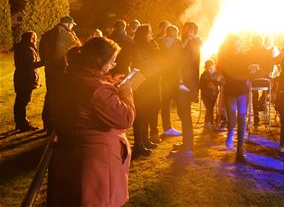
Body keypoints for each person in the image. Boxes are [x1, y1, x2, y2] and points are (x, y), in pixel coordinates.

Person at [48, 37, 135, 207]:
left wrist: (108, 83)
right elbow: (126, 117)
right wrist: (126, 91)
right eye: (111, 61)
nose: (113, 65)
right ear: (99, 61)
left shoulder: (68, 77)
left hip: (70, 155)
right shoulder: (96, 88)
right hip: (96, 164)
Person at [38, 15, 81, 131]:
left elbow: (41, 51)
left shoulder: (47, 34)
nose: (72, 27)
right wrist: (75, 37)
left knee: (50, 94)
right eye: (72, 25)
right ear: (68, 24)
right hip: (62, 69)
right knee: (60, 96)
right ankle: (56, 124)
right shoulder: (66, 34)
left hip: (50, 68)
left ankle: (47, 122)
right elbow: (78, 49)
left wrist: (47, 62)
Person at [217, 34, 250, 162]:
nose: (237, 46)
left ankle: (240, 149)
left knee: (242, 118)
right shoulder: (224, 57)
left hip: (242, 92)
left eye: (239, 44)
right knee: (232, 118)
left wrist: (252, 72)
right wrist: (220, 78)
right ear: (231, 45)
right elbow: (220, 72)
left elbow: (249, 72)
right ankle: (230, 133)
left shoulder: (245, 57)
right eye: (235, 44)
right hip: (230, 91)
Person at [172, 22, 202, 157]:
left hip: (186, 83)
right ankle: (186, 143)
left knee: (184, 113)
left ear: (192, 31)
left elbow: (182, 61)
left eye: (186, 29)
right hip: (187, 82)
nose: (183, 30)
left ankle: (188, 147)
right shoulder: (191, 43)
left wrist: (178, 50)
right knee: (183, 113)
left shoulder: (190, 44)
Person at [131, 24, 161, 157]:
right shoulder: (136, 47)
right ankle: (138, 144)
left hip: (151, 82)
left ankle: (145, 139)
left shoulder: (149, 46)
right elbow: (140, 64)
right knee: (141, 113)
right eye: (149, 33)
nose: (151, 35)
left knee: (148, 111)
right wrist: (153, 54)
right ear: (143, 34)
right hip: (143, 83)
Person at [13, 31, 43, 131]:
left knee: (20, 101)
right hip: (26, 79)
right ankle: (23, 123)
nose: (36, 39)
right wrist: (44, 62)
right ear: (29, 39)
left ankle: (20, 122)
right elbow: (30, 65)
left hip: (21, 78)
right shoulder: (28, 49)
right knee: (23, 101)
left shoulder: (21, 47)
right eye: (34, 37)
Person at [158, 25, 183, 137]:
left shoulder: (160, 42)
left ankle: (167, 127)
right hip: (176, 76)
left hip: (163, 75)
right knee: (180, 102)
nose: (177, 34)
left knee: (165, 103)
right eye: (176, 32)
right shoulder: (178, 43)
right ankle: (185, 125)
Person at [199, 59, 224, 130]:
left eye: (212, 67)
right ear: (206, 68)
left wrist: (219, 80)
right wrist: (207, 84)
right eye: (208, 67)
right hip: (205, 95)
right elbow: (200, 85)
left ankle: (208, 122)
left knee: (210, 108)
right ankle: (208, 122)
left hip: (214, 94)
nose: (210, 69)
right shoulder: (204, 75)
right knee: (209, 108)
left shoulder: (217, 74)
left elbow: (222, 82)